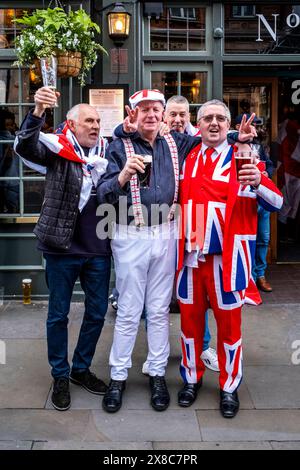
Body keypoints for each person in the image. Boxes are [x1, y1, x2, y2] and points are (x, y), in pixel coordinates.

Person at [98, 90, 251, 413]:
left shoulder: (178, 143)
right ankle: (118, 376)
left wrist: (242, 136)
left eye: (156, 109)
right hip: (130, 233)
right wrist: (124, 173)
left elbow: (216, 132)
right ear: (132, 113)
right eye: (144, 110)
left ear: (165, 115)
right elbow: (102, 194)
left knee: (157, 310)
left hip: (167, 233)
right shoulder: (117, 145)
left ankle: (156, 374)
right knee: (127, 309)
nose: (151, 115)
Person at [176, 100, 283, 418]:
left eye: (220, 118)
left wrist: (257, 182)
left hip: (228, 261)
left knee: (229, 328)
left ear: (228, 124)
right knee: (189, 326)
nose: (213, 123)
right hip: (191, 259)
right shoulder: (190, 156)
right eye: (207, 118)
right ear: (198, 124)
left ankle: (229, 385)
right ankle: (191, 378)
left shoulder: (244, 156)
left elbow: (277, 200)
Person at [14, 86, 111, 411]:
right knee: (58, 315)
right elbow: (26, 145)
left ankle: (80, 369)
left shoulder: (108, 153)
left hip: (98, 249)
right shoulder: (57, 150)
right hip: (61, 248)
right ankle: (60, 374)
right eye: (88, 121)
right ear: (71, 125)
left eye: (97, 120)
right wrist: (38, 111)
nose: (95, 126)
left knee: (97, 313)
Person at [235, 113, 274, 292]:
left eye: (257, 126)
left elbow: (271, 164)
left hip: (261, 199)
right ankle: (248, 277)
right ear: (237, 127)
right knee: (244, 238)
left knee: (263, 239)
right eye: (252, 125)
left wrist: (266, 174)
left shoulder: (259, 146)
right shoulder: (230, 145)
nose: (255, 129)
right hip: (243, 200)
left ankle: (260, 275)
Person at [0, 109, 19, 213]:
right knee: (12, 209)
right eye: (8, 125)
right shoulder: (12, 139)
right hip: (12, 180)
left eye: (12, 124)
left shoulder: (14, 139)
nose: (11, 127)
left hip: (11, 179)